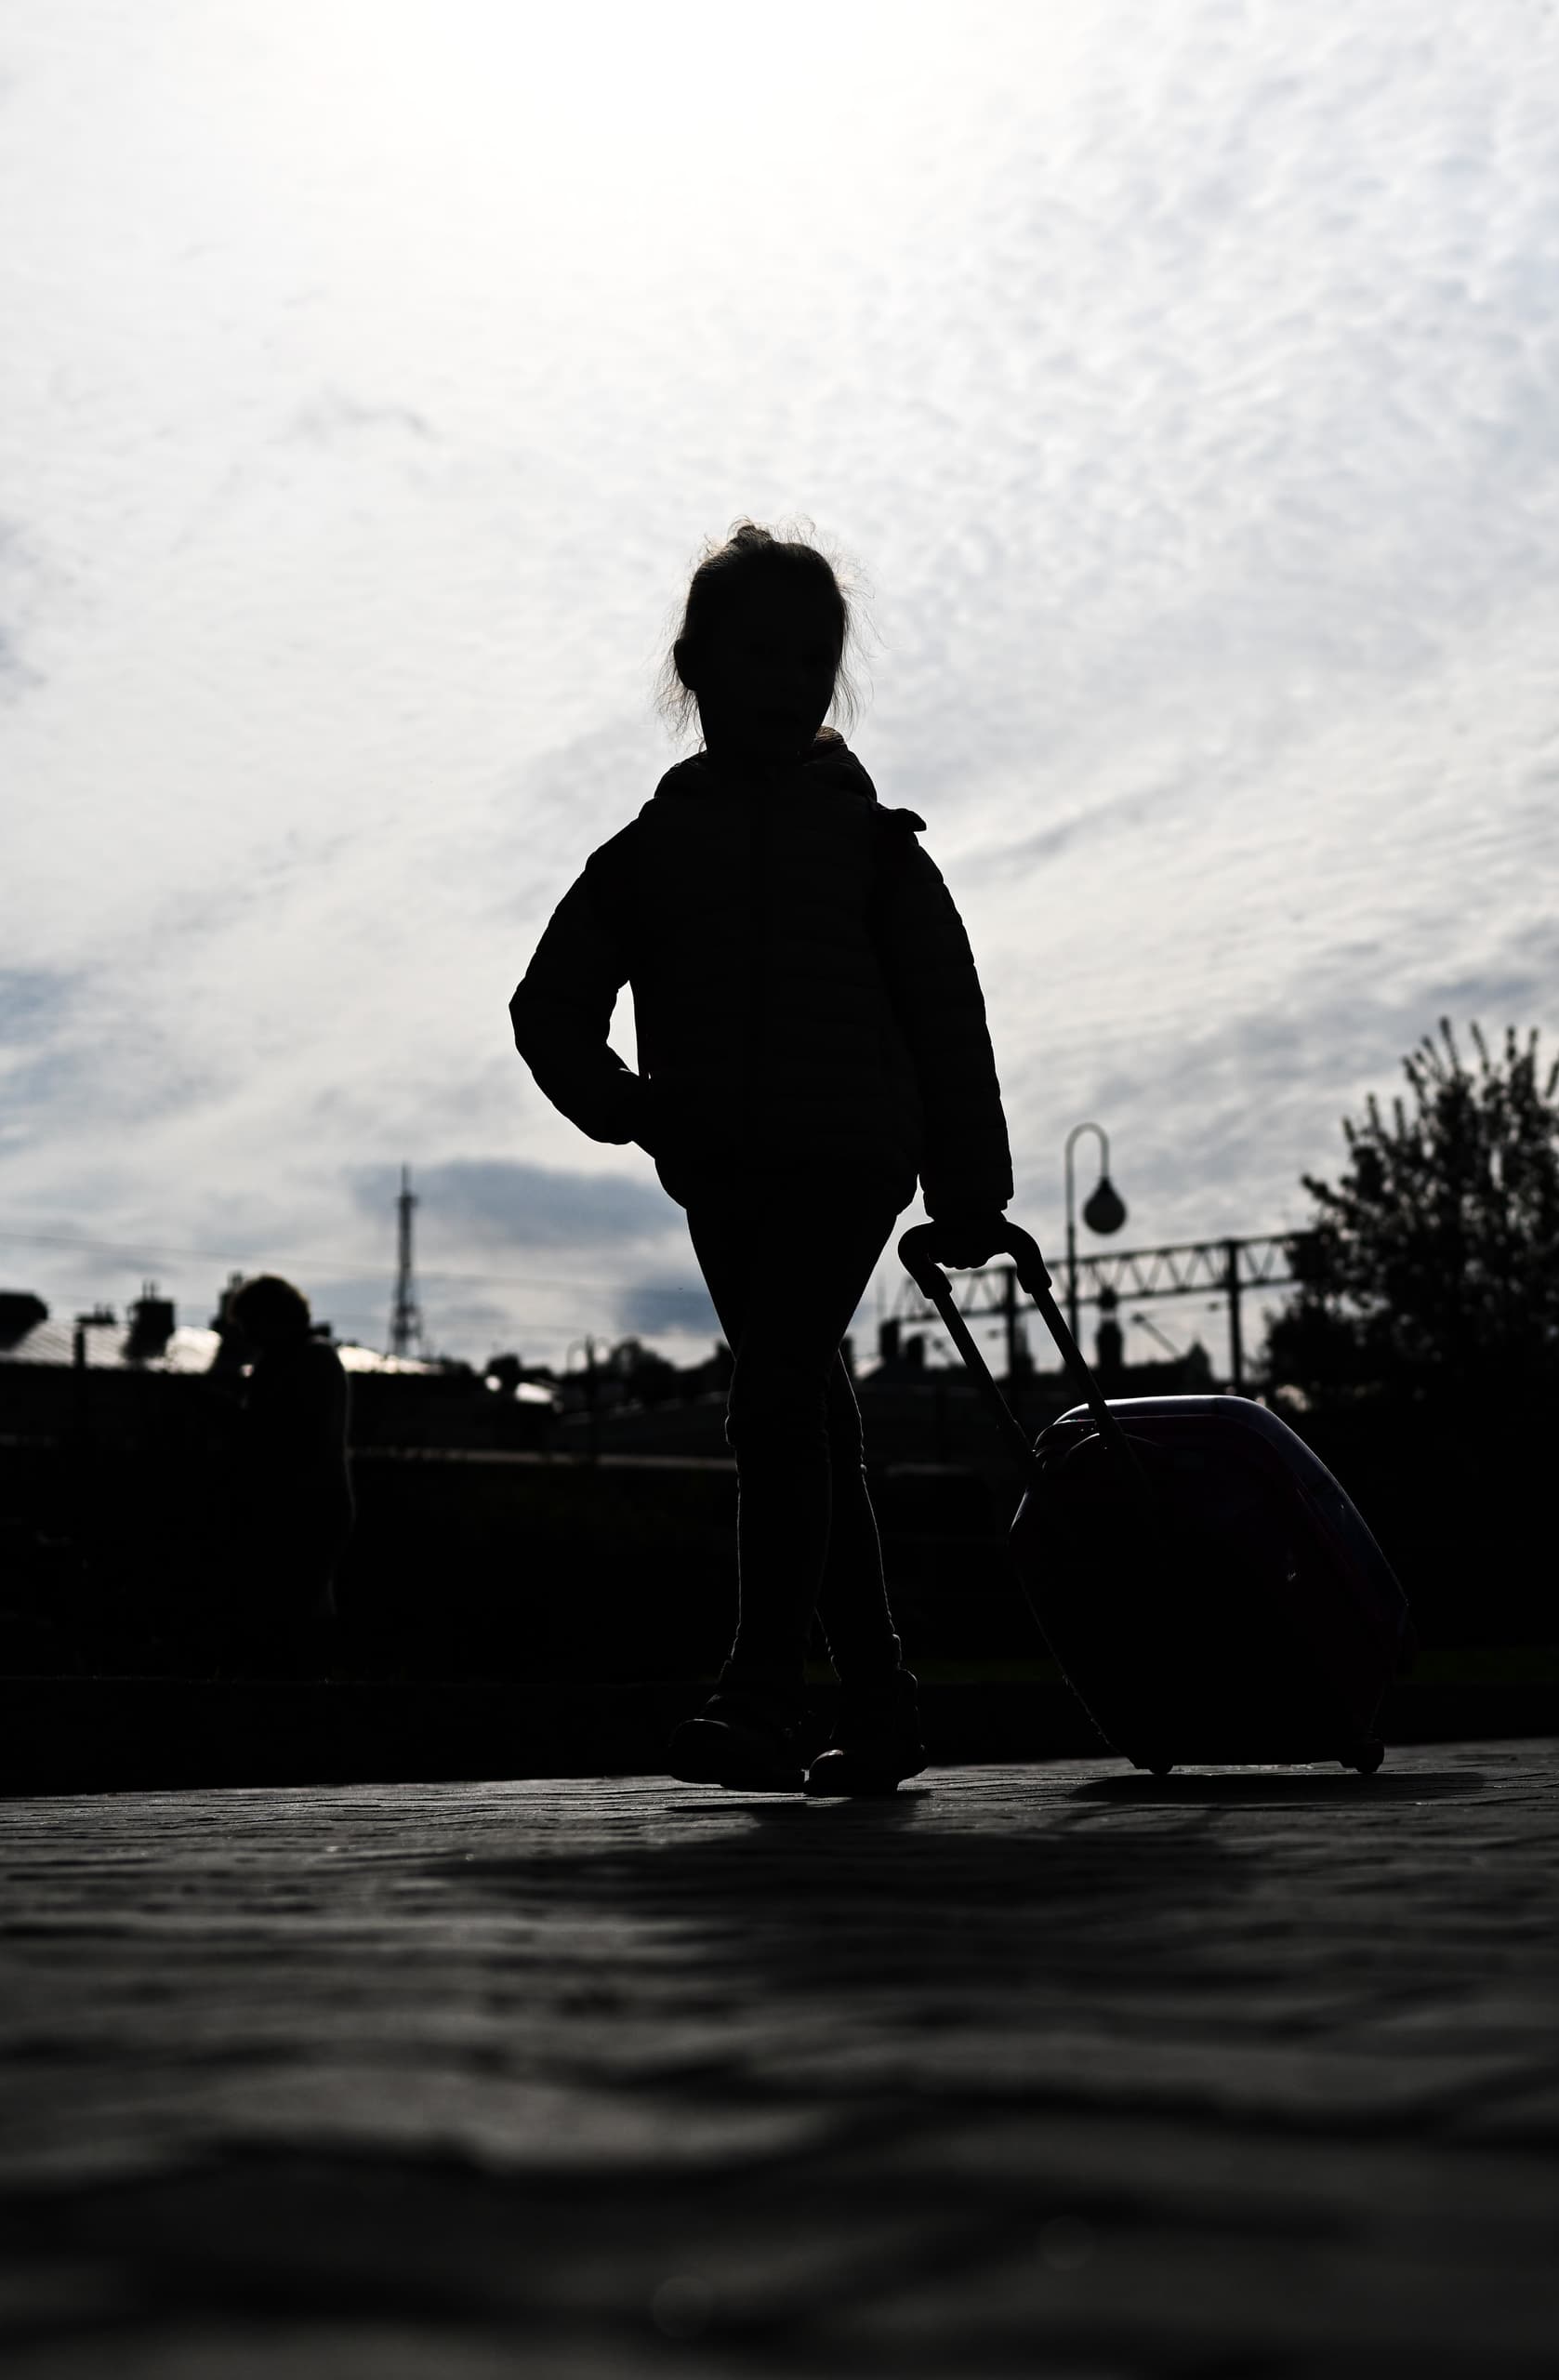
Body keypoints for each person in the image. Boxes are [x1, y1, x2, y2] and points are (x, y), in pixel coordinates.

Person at [511, 524, 1018, 1795]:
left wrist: (968, 1191)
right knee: (806, 1414)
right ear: (696, 667)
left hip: (849, 1159)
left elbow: (947, 1016)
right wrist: (629, 1110)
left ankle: (760, 1689)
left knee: (777, 1396)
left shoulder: (873, 847)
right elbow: (549, 1004)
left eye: (813, 659)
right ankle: (885, 1705)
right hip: (721, 1170)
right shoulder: (650, 851)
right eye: (762, 656)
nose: (790, 681)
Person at [215, 1274, 350, 1677]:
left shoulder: (308, 1362)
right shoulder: (302, 1361)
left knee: (292, 1610)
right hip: (309, 1505)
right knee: (302, 1606)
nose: (248, 1335)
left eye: (251, 1324)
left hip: (302, 1507)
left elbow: (282, 1433)